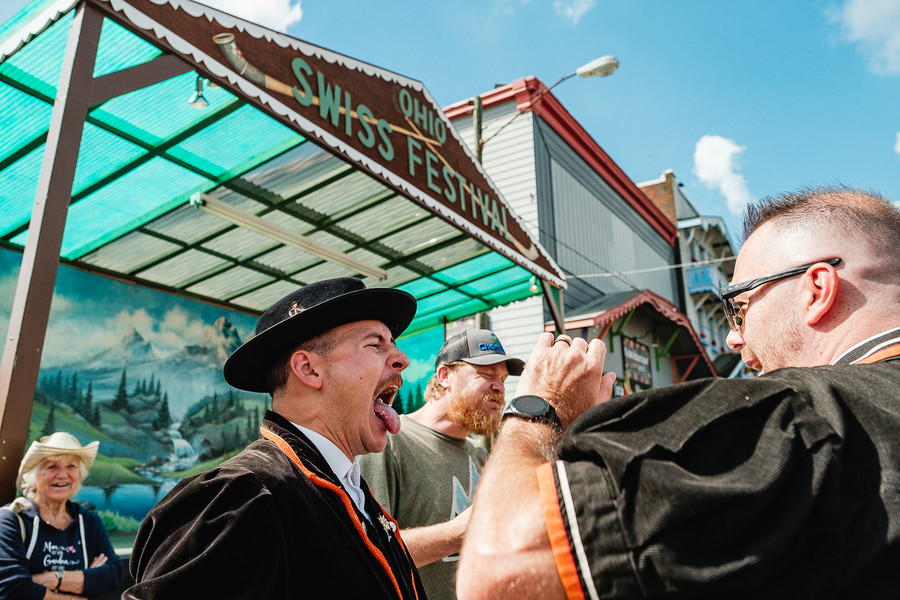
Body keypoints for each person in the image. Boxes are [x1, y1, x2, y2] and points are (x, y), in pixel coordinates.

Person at [457, 186, 900, 599]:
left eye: (740, 308)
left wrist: (538, 409)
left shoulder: (791, 417)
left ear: (817, 290)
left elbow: (497, 568)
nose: (732, 339)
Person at [124, 277, 426, 599]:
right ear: (309, 369)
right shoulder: (243, 496)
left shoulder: (346, 488)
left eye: (392, 343)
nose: (401, 358)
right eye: (375, 344)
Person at [360, 328, 524, 599]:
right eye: (486, 375)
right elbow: (368, 553)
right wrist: (457, 533)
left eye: (504, 379)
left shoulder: (480, 455)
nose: (499, 388)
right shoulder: (389, 443)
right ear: (445, 376)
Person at [0, 432, 124, 600]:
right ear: (33, 477)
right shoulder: (11, 520)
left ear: (79, 475)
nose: (62, 474)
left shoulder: (88, 521)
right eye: (52, 467)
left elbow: (113, 575)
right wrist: (85, 579)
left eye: (71, 467)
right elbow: (12, 589)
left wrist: (52, 579)